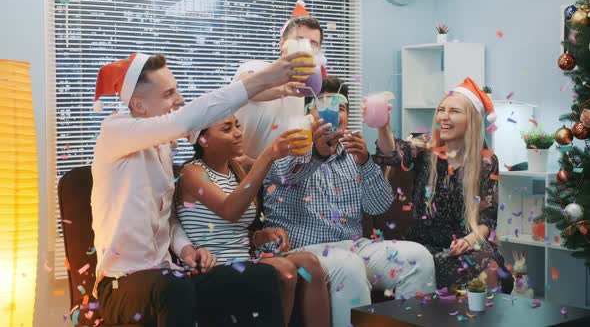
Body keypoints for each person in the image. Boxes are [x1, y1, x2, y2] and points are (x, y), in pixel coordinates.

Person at [91, 51, 314, 326]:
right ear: (139, 104)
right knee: (173, 286)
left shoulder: (162, 150)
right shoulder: (114, 132)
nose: (180, 99)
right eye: (169, 93)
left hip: (167, 274)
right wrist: (265, 79)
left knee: (261, 277)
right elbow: (185, 120)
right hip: (120, 283)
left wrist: (186, 250)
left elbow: (168, 219)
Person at [262, 76, 436, 327]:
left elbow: (379, 206)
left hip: (355, 246)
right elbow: (290, 173)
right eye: (325, 106)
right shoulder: (288, 148)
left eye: (340, 108)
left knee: (419, 258)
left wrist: (365, 163)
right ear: (309, 114)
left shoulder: (353, 154)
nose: (335, 113)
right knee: (350, 266)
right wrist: (319, 154)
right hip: (304, 251)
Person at [176, 116, 330, 327]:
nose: (238, 133)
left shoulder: (236, 170)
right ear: (203, 140)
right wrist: (268, 156)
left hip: (244, 258)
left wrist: (261, 236)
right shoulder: (192, 172)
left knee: (309, 264)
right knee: (285, 270)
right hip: (213, 265)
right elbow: (229, 210)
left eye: (237, 125)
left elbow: (233, 228)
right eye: (227, 128)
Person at [374, 77, 511, 290]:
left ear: (472, 119)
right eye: (441, 110)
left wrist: (470, 240)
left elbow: (487, 221)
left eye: (454, 111)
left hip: (462, 247)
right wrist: (384, 127)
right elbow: (391, 154)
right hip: (422, 249)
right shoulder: (424, 147)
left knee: (490, 267)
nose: (444, 117)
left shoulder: (486, 161)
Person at [233, 0, 326, 171]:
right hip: (239, 172)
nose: (307, 48)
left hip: (275, 178)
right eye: (300, 40)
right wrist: (282, 89)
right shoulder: (255, 68)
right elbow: (246, 87)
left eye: (314, 44)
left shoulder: (303, 91)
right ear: (282, 43)